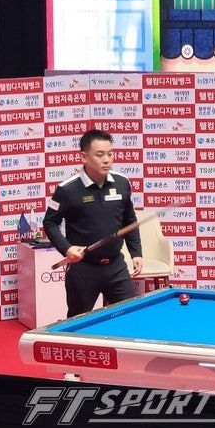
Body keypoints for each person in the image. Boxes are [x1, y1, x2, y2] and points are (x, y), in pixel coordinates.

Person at [43, 129, 143, 317]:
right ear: (84, 157)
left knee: (131, 316)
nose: (107, 160)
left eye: (110, 154)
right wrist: (67, 249)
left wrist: (136, 252)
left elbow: (129, 220)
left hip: (116, 266)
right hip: (83, 269)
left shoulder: (122, 183)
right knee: (77, 322)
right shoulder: (67, 190)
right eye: (100, 155)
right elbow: (50, 223)